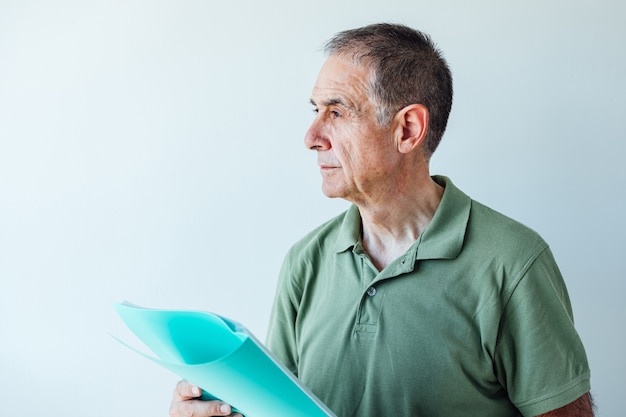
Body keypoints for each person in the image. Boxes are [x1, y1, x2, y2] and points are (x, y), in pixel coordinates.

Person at [169, 23, 593, 417]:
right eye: (316, 110)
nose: (311, 137)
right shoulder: (305, 262)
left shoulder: (513, 263)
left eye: (336, 112)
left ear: (408, 129)